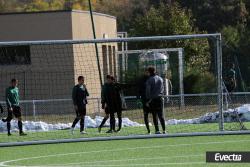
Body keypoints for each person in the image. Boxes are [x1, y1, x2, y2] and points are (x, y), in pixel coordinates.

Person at [145, 67, 166, 134]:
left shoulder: (149, 80)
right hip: (160, 99)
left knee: (154, 115)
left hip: (153, 100)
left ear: (149, 72)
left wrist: (148, 100)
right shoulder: (160, 79)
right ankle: (164, 130)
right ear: (155, 71)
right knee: (161, 115)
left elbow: (148, 91)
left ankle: (157, 130)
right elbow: (163, 89)